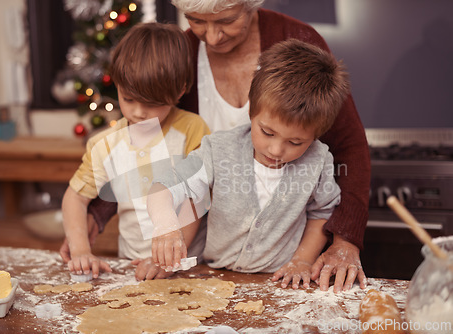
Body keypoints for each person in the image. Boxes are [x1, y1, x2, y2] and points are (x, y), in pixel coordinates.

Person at [71, 0, 371, 292]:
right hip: (205, 257)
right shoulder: (181, 55)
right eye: (197, 20)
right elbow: (147, 139)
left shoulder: (300, 44)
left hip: (276, 271)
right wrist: (96, 213)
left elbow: (349, 147)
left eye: (226, 20)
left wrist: (345, 241)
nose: (212, 37)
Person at [148, 39, 348, 289]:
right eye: (267, 132)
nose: (276, 150)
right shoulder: (218, 149)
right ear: (252, 111)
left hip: (279, 283)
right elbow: (163, 188)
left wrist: (302, 261)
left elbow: (322, 213)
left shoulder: (319, 160)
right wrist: (166, 228)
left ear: (316, 134)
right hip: (213, 276)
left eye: (296, 142)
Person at [61, 22, 210, 280]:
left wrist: (169, 260)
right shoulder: (105, 145)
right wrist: (81, 250)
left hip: (191, 268)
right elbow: (75, 198)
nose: (139, 112)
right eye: (128, 98)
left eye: (153, 103)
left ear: (181, 88)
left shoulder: (192, 130)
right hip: (132, 269)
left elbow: (195, 198)